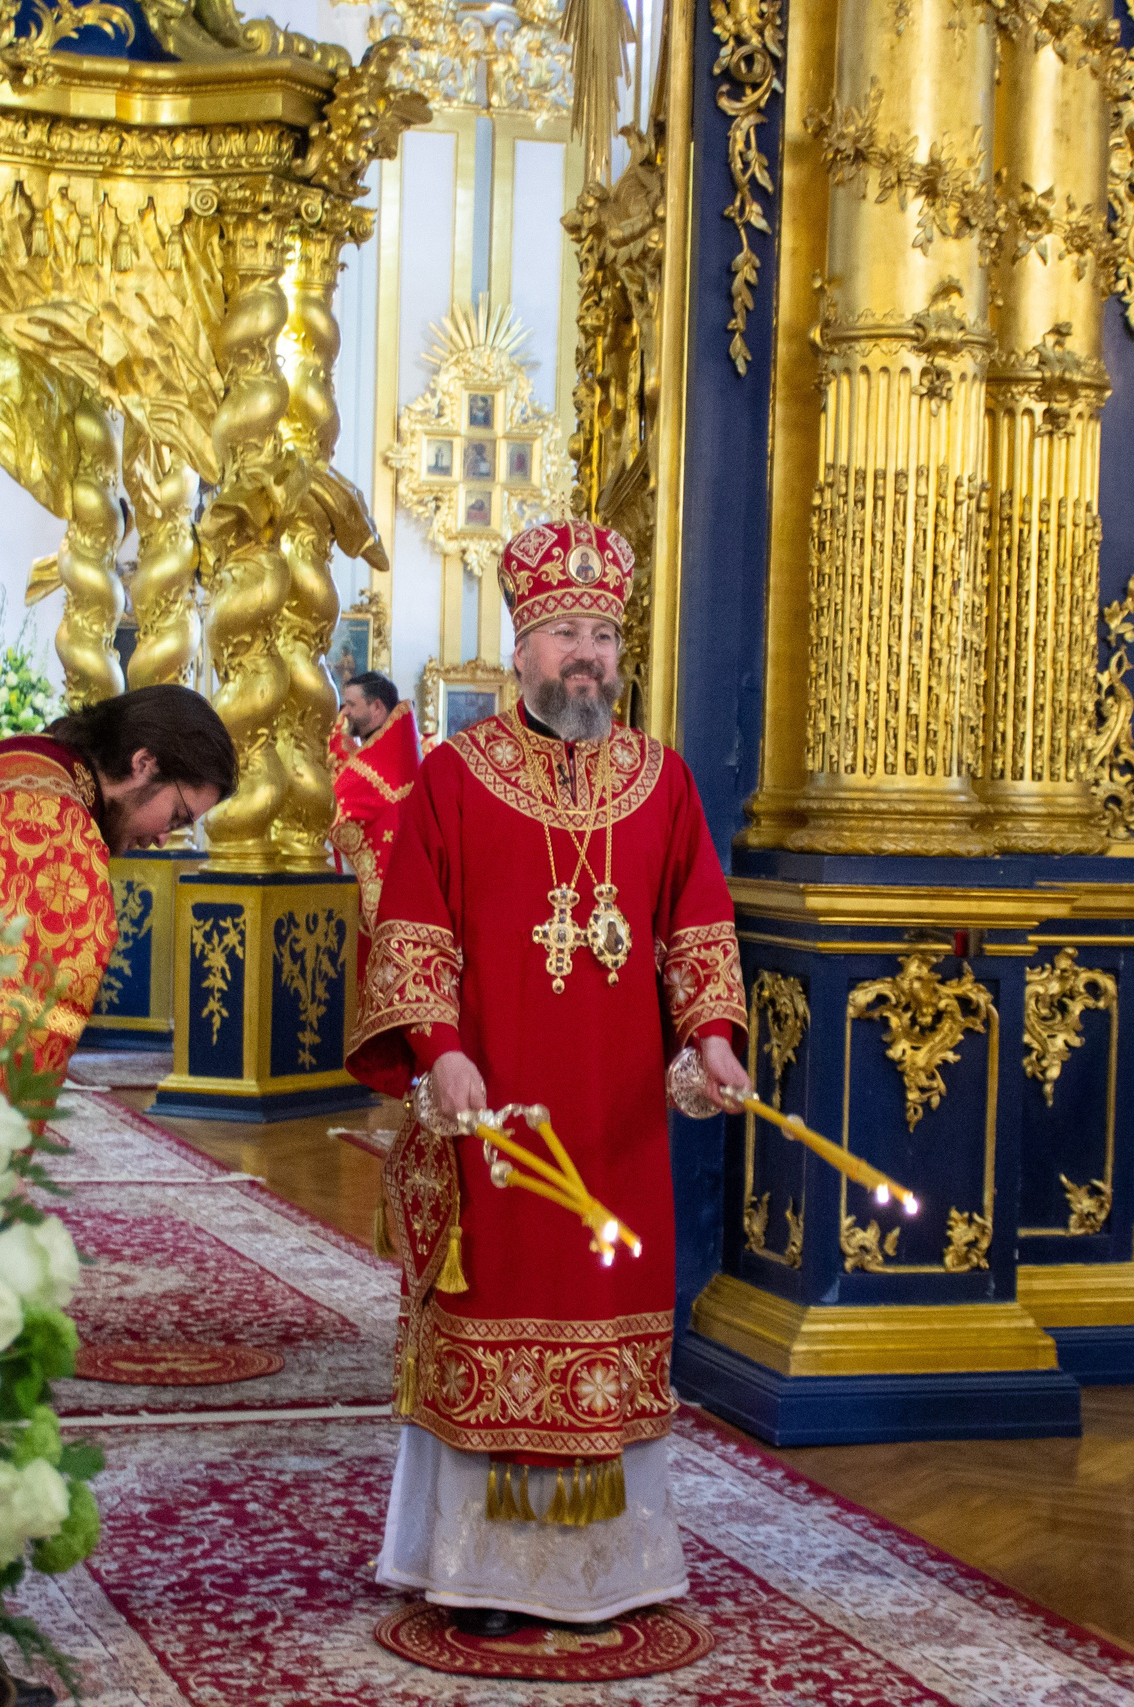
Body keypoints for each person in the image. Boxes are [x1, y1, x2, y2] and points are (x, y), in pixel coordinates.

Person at [347, 519, 750, 1633]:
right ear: (520, 650)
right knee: (503, 1326)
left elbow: (697, 930)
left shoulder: (659, 782)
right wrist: (444, 1050)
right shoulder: (456, 781)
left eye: (604, 636)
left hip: (615, 1124)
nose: (588, 655)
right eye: (565, 632)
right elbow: (414, 934)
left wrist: (712, 1037)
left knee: (603, 1333)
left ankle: (593, 1571)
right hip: (500, 1116)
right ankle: (484, 1576)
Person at [0, 683, 235, 1081]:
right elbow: (8, 1014)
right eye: (176, 817)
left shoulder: (38, 762)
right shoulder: (49, 815)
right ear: (143, 764)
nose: (160, 839)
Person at [327, 669, 421, 938]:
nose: (344, 713)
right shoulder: (387, 749)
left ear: (377, 707)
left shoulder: (382, 761)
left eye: (351, 705)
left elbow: (335, 813)